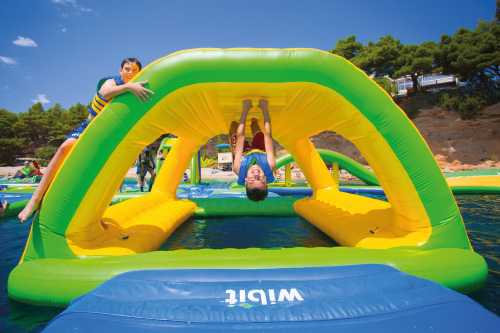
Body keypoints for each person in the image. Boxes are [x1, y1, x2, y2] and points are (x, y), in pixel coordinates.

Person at [18, 58, 154, 222]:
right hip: (89, 127)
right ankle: (34, 200)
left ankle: (96, 214)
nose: (130, 73)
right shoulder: (112, 82)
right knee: (65, 147)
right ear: (120, 71)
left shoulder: (137, 91)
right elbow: (105, 93)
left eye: (135, 70)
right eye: (127, 69)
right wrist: (129, 86)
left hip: (108, 135)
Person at [231, 99, 276, 201]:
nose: (256, 174)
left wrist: (245, 109)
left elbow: (241, 137)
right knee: (258, 132)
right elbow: (268, 135)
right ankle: (253, 122)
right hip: (261, 151)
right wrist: (265, 108)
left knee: (234, 130)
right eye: (260, 178)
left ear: (246, 180)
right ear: (265, 179)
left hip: (245, 154)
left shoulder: (238, 168)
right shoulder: (270, 165)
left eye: (252, 179)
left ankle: (234, 125)